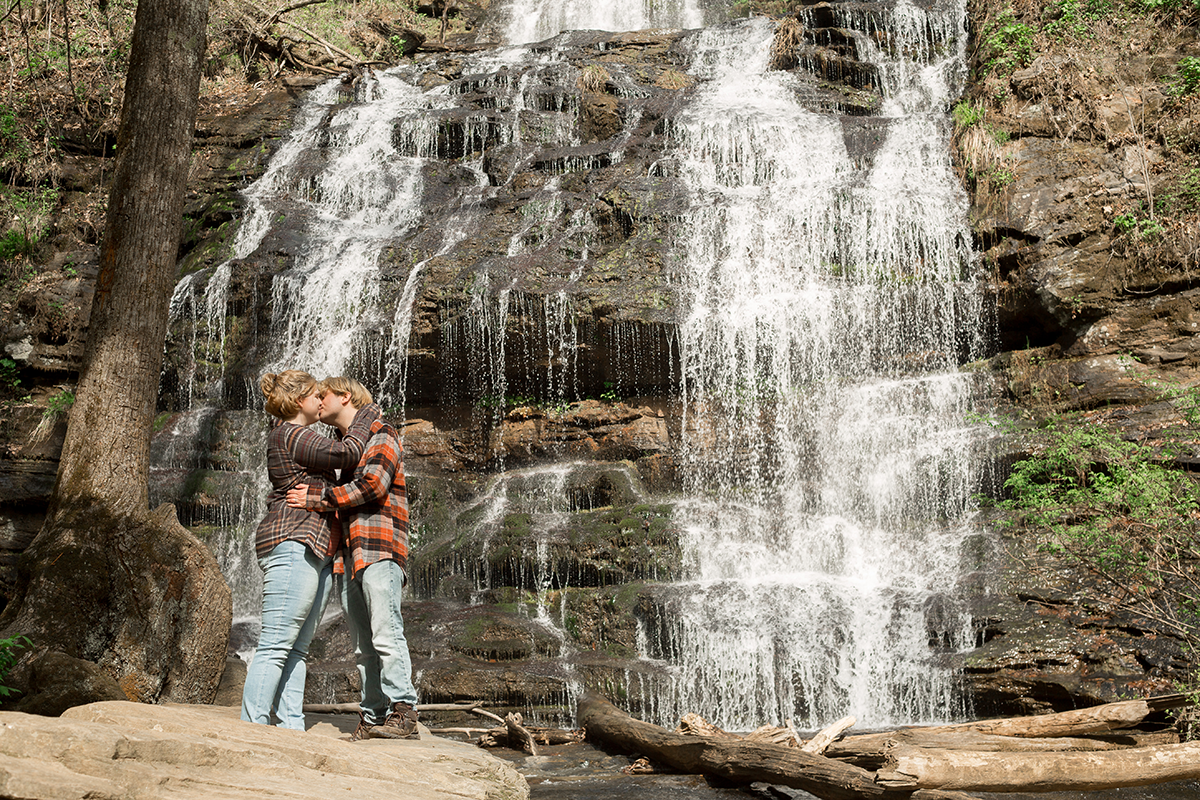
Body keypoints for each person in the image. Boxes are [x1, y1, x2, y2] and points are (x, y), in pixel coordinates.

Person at [287, 377, 419, 741]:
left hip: (379, 547)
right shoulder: (343, 448)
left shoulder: (382, 432)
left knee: (386, 632)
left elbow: (374, 485)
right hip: (349, 556)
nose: (317, 401)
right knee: (363, 645)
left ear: (345, 396)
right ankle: (374, 715)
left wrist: (319, 497)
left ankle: (404, 711)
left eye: (323, 395)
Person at [240, 370, 372, 730]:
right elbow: (348, 453)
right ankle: (252, 728)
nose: (321, 401)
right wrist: (365, 416)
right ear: (300, 402)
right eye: (316, 396)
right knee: (276, 644)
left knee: (296, 647)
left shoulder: (298, 435)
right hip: (292, 541)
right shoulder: (291, 433)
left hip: (314, 547)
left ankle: (291, 726)